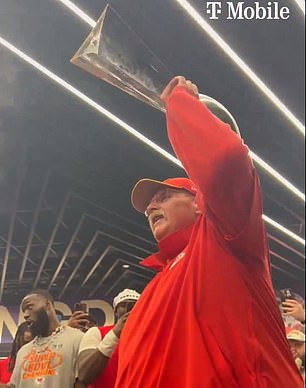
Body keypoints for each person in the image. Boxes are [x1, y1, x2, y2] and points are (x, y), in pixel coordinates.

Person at [114, 76, 303, 387]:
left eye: (163, 197)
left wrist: (181, 103)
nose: (151, 208)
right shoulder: (155, 288)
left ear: (200, 203)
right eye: (148, 207)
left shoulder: (224, 238)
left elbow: (225, 160)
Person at [0, 289, 83, 388]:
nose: (25, 315)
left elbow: (83, 382)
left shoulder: (77, 338)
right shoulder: (23, 351)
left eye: (30, 307)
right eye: (24, 311)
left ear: (47, 306)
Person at [77, 289, 140, 388]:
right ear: (115, 311)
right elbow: (83, 375)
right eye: (123, 306)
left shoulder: (149, 336)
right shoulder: (96, 332)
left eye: (134, 305)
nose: (128, 310)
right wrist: (115, 334)